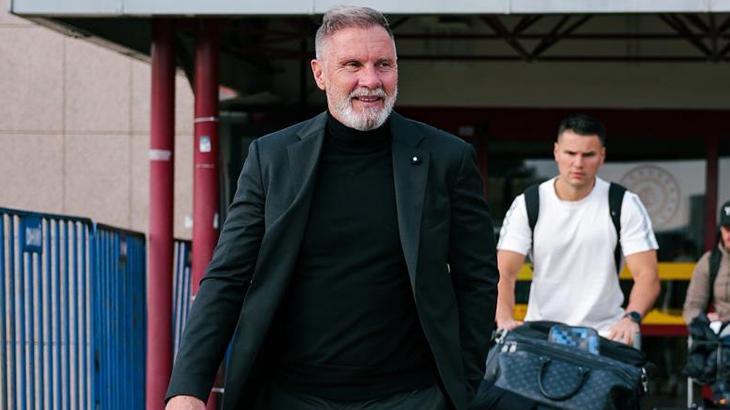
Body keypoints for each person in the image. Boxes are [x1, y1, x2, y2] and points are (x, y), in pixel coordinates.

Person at [165, 6, 498, 410]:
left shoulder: (447, 158)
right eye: (352, 65)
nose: (370, 80)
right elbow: (227, 277)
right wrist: (187, 388)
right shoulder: (272, 159)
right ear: (320, 73)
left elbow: (477, 278)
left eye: (383, 64)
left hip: (412, 398)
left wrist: (462, 383)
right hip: (289, 397)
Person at [495, 114, 660, 346]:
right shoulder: (529, 203)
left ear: (602, 155)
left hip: (606, 336)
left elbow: (647, 275)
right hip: (542, 337)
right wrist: (504, 318)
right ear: (556, 152)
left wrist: (631, 318)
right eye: (570, 153)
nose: (578, 163)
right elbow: (504, 272)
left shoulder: (623, 203)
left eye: (588, 155)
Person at [683, 200, 730, 324]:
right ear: (721, 229)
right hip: (720, 331)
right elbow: (693, 306)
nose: (729, 235)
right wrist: (701, 321)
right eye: (727, 228)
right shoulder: (709, 261)